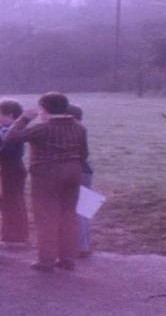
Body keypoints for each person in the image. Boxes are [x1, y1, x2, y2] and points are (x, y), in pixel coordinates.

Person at [4, 92, 88, 272]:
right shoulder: (79, 127)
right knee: (68, 215)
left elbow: (11, 138)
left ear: (43, 108)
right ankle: (67, 258)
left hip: (47, 173)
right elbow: (84, 153)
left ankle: (46, 260)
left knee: (46, 216)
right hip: (73, 170)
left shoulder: (43, 128)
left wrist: (24, 119)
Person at [0, 99, 29, 246]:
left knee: (12, 201)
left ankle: (16, 237)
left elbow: (8, 149)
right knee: (8, 201)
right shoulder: (3, 128)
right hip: (9, 168)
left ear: (11, 115)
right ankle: (10, 235)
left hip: (12, 168)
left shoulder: (9, 130)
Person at [67, 103, 94, 258]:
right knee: (84, 211)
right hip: (86, 171)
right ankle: (84, 245)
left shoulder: (71, 131)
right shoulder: (81, 129)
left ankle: (78, 246)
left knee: (77, 211)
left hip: (77, 171)